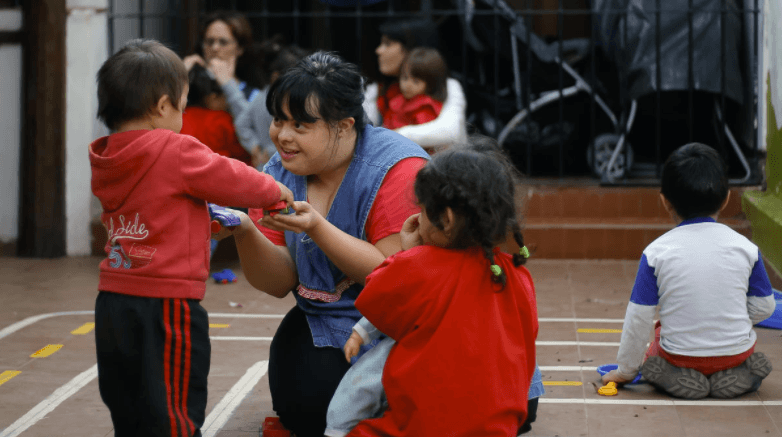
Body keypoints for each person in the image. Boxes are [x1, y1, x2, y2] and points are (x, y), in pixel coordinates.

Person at [213, 51, 430, 437]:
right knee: (305, 409)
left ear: (344, 126)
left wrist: (317, 227)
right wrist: (244, 229)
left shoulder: (397, 168)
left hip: (405, 324)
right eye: (279, 120)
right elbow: (279, 282)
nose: (282, 135)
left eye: (300, 124)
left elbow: (397, 280)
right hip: (326, 320)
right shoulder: (277, 171)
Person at [89, 39, 293, 436]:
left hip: (113, 299)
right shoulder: (174, 148)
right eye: (183, 102)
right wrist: (274, 190)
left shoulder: (106, 155)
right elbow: (229, 177)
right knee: (174, 408)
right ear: (163, 106)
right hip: (166, 304)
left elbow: (157, 205)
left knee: (129, 403)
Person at [324, 138, 538, 437]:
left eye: (423, 210)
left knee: (352, 417)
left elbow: (377, 299)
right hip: (498, 427)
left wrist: (406, 254)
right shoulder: (516, 276)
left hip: (426, 427)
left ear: (446, 219)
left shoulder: (420, 266)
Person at [602, 142, 776, 399]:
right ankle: (745, 374)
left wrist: (626, 371)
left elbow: (639, 318)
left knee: (654, 351)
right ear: (727, 198)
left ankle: (668, 377)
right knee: (742, 353)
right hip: (733, 354)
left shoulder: (655, 253)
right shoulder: (747, 249)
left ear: (665, 202)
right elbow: (765, 307)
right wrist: (729, 316)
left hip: (679, 357)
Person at [363, 18, 468, 152]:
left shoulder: (448, 85)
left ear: (410, 48)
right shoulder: (379, 89)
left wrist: (392, 135)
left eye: (387, 44)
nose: (379, 50)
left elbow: (449, 131)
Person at [234, 43, 310, 169]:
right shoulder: (283, 101)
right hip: (283, 165)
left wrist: (255, 147)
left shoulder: (261, 96)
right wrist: (265, 149)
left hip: (266, 165)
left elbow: (241, 124)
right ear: (275, 77)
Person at [183, 11, 265, 124]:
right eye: (209, 41)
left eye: (223, 42)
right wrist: (179, 75)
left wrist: (228, 84)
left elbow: (251, 132)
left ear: (240, 48)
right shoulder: (188, 86)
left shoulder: (255, 97)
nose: (215, 48)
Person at [181, 64, 251, 165]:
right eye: (224, 96)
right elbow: (243, 153)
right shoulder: (221, 119)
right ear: (212, 98)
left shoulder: (180, 117)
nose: (227, 102)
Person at [378, 47, 447, 141]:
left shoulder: (426, 107)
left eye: (416, 81)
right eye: (405, 78)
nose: (408, 85)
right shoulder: (396, 97)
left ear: (430, 83)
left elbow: (423, 138)